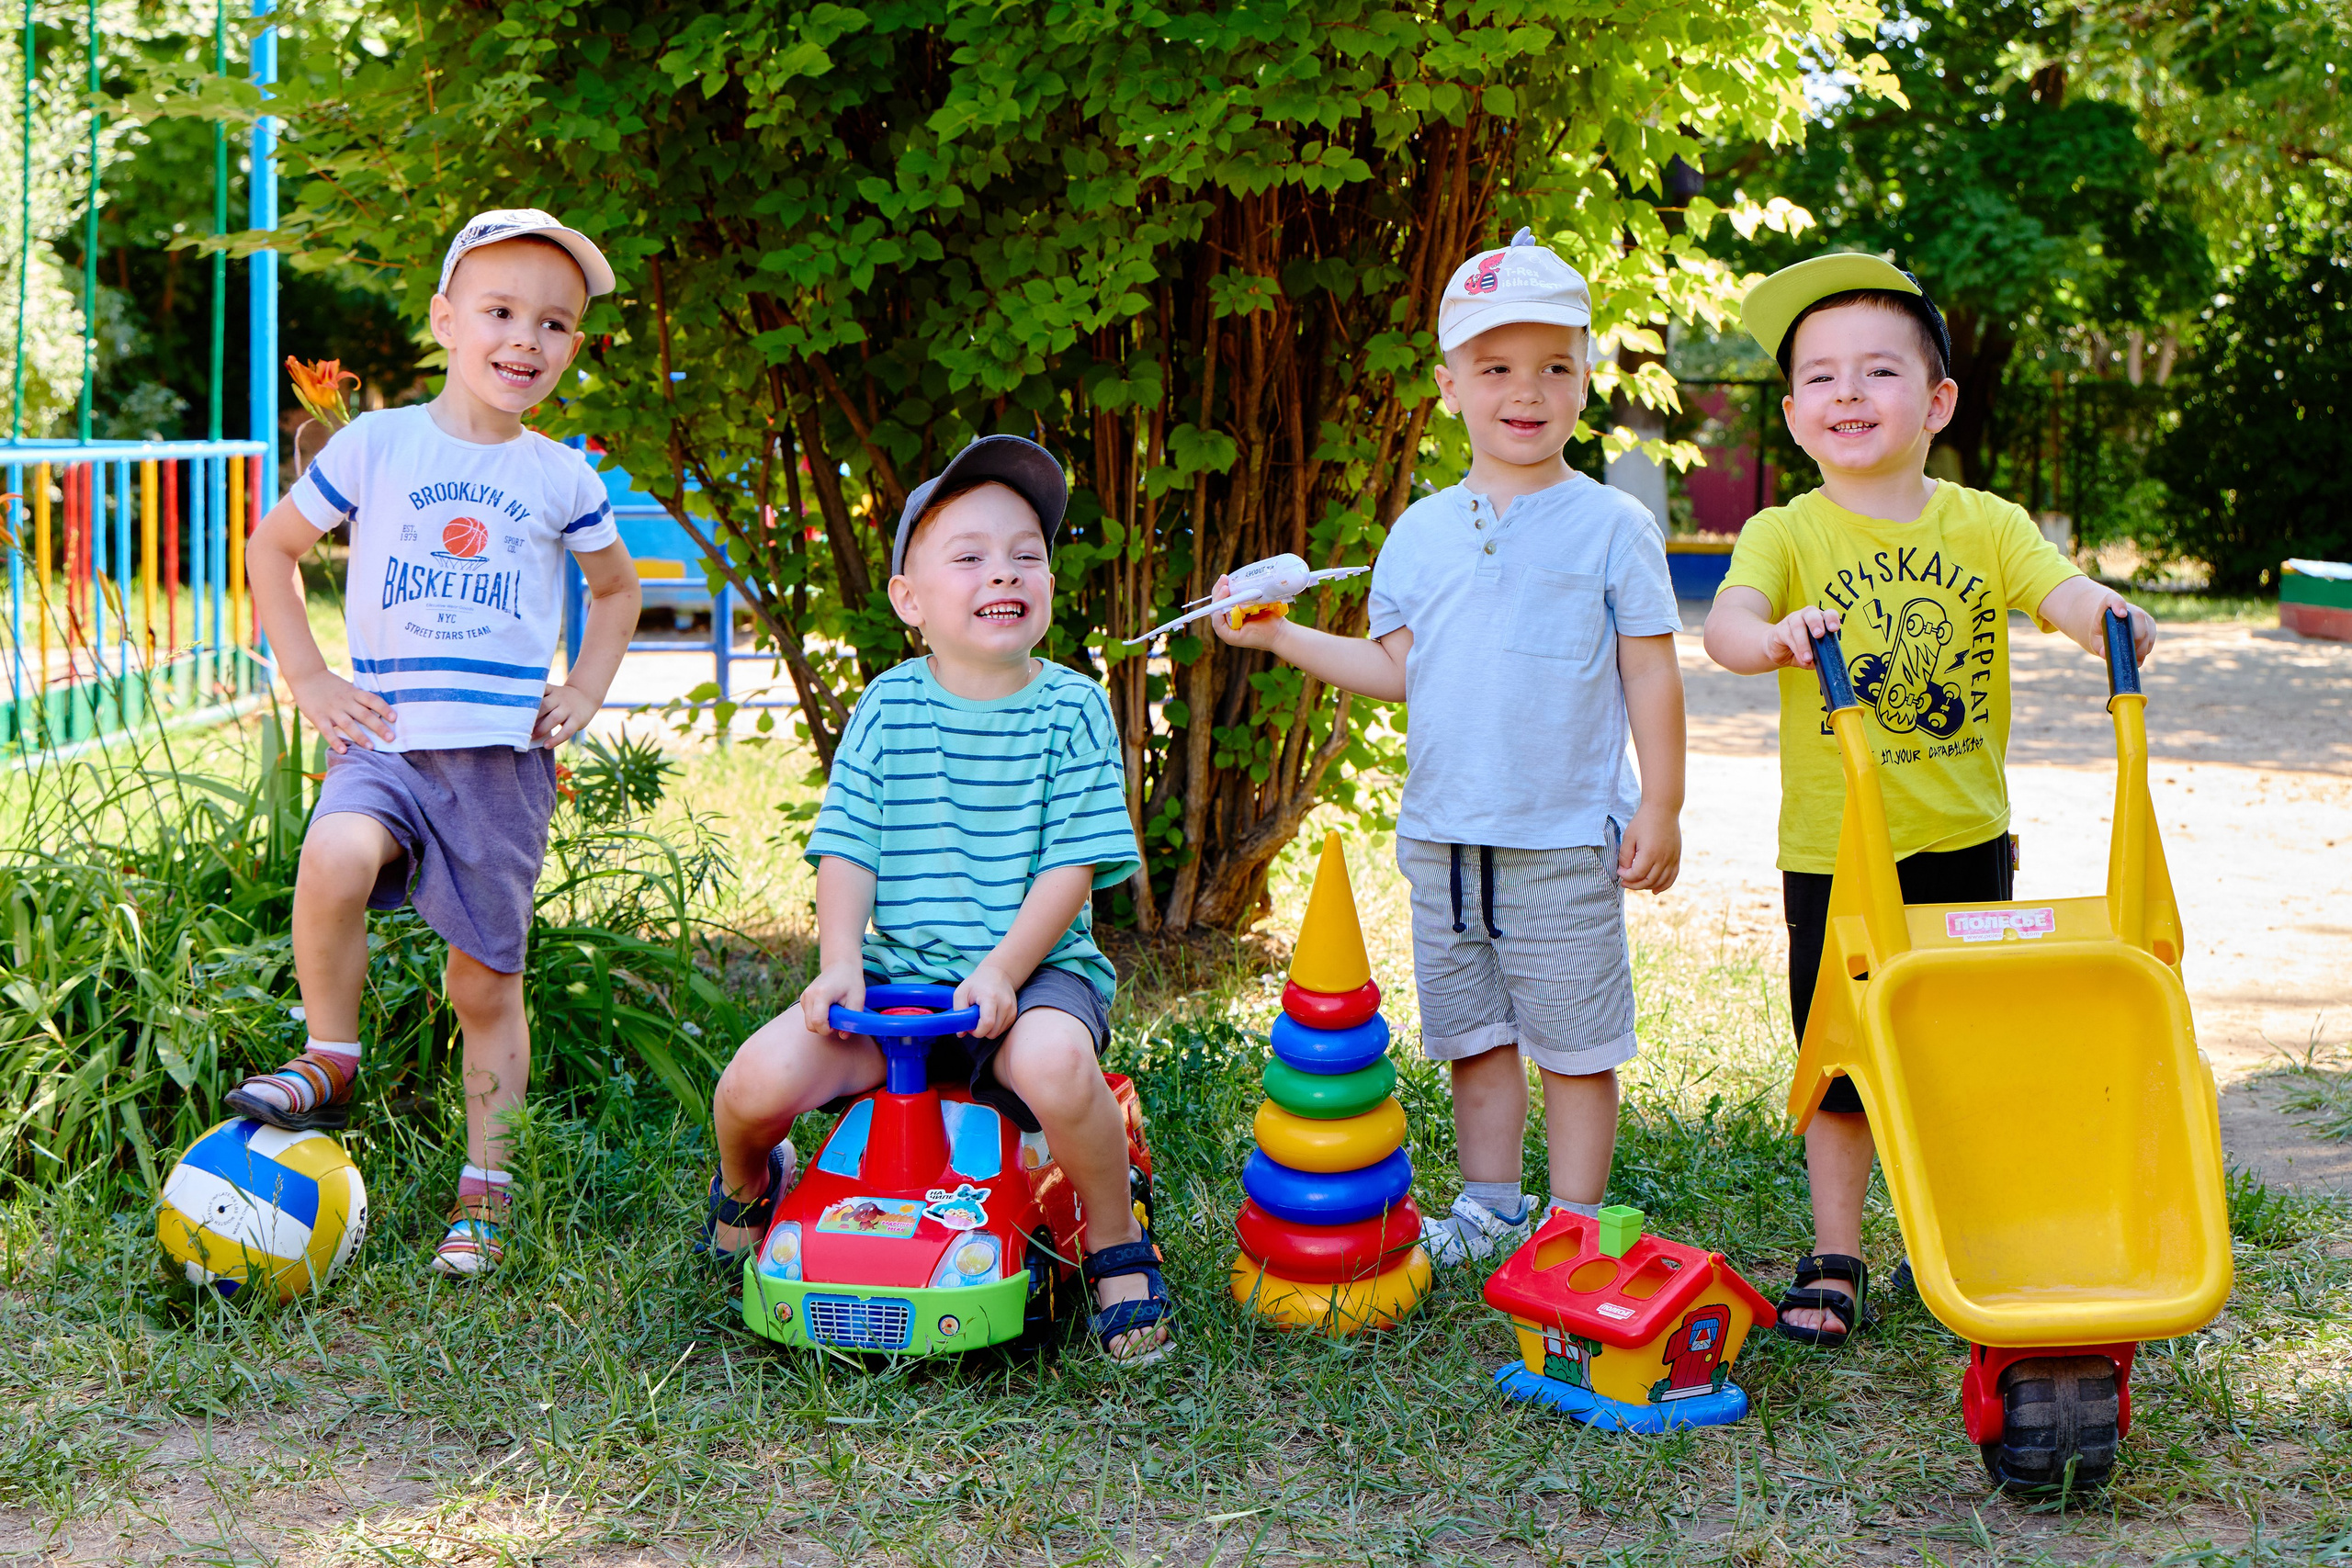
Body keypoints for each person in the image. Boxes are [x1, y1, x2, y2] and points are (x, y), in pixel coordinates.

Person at [1703, 253, 2157, 1347]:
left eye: (1878, 371)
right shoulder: (1786, 533)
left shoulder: (1985, 524)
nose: (1847, 393)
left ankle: (1957, 1234)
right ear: (1794, 415)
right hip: (1837, 851)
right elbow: (1725, 626)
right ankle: (1838, 1253)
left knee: (1958, 1051)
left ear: (1936, 402)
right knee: (1841, 1055)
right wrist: (1769, 637)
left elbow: (2058, 591)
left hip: (1963, 841)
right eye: (1820, 377)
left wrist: (2104, 611)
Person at [1213, 230, 1687, 1267]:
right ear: (1449, 386)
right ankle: (1490, 1208)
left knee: (1573, 1043)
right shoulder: (1420, 534)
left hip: (1563, 836)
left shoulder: (1612, 525)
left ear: (1585, 379)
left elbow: (1652, 672)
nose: (1526, 391)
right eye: (1496, 367)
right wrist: (1281, 636)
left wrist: (1660, 804)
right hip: (1443, 837)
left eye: (1554, 366)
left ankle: (1572, 1224)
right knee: (1474, 1034)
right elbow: (1400, 670)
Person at [229, 208, 642, 1277]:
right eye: (500, 312)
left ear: (573, 346)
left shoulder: (562, 477)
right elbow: (272, 549)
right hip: (388, 740)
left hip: (500, 763)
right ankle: (331, 1056)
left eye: (554, 324)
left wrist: (585, 686)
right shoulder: (377, 446)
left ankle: (486, 1195)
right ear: (446, 320)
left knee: (483, 988)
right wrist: (310, 676)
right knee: (334, 854)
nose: (525, 339)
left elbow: (615, 590)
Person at [701, 436, 1172, 1366]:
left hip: (1035, 976)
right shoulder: (888, 707)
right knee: (752, 1083)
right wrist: (841, 963)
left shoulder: (1073, 708)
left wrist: (1002, 970)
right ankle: (749, 1184)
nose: (1003, 572)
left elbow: (1070, 869)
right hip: (899, 983)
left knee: (1054, 1066)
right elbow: (847, 848)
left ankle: (1118, 1240)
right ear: (909, 600)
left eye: (1026, 554)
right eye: (969, 556)